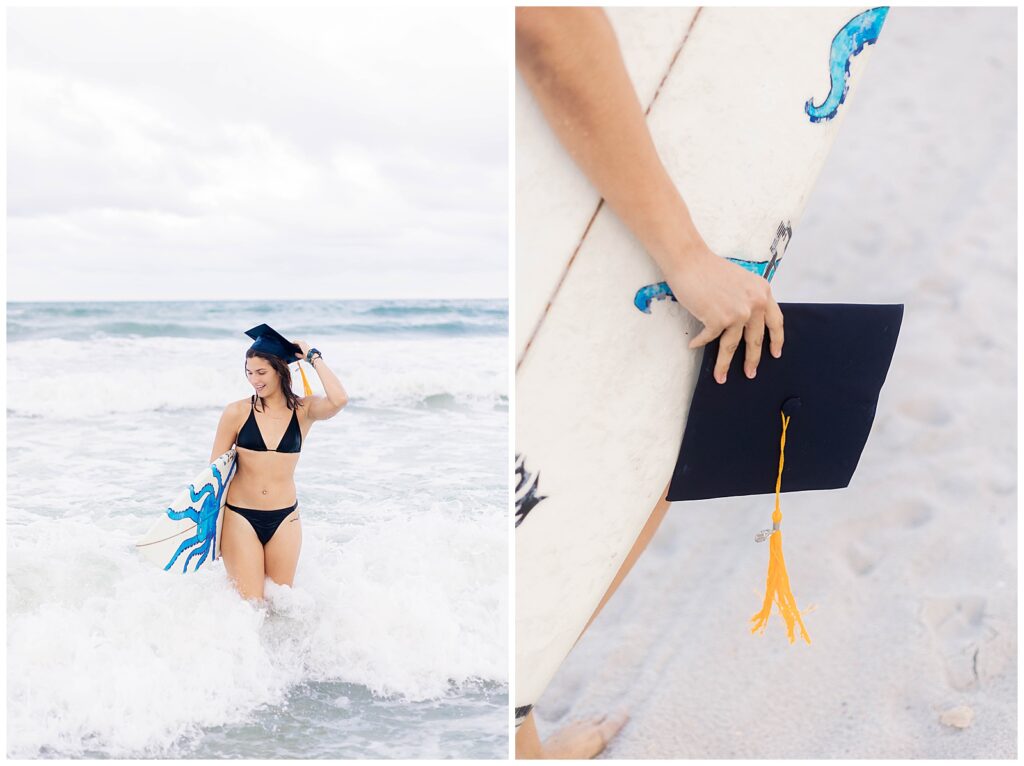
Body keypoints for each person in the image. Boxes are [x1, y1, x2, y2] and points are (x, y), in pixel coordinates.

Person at [515, 7, 784, 758]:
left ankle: (518, 736)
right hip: (579, 227)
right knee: (605, 486)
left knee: (537, 504)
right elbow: (545, 21)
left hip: (571, 197)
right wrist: (687, 254)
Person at [209, 324, 349, 601]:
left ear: (280, 370)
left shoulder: (304, 410)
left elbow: (340, 398)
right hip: (240, 517)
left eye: (261, 372)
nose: (254, 380)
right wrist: (211, 528)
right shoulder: (236, 412)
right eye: (249, 373)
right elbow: (214, 473)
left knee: (281, 603)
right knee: (251, 605)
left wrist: (313, 357)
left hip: (285, 517)